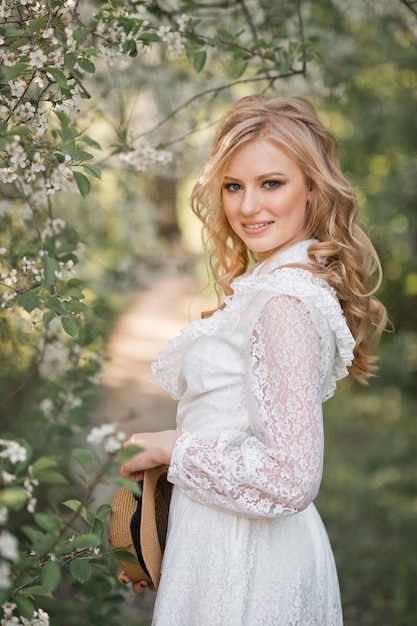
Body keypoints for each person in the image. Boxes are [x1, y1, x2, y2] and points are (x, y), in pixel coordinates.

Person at [119, 95, 387, 625]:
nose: (247, 208)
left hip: (249, 559)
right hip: (221, 539)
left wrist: (171, 448)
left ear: (312, 187)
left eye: (272, 184)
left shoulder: (284, 302)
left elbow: (291, 478)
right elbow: (236, 432)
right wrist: (166, 529)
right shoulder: (270, 286)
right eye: (234, 186)